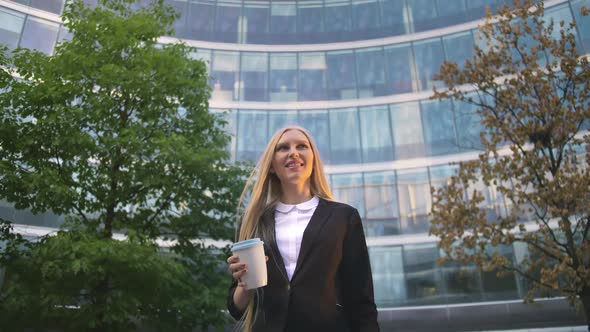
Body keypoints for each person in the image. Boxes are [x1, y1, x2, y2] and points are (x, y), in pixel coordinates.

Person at [226, 126, 379, 332]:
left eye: (302, 146)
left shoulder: (344, 217)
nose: (293, 152)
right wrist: (244, 285)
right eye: (283, 148)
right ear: (272, 165)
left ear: (313, 160)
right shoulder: (254, 220)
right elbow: (236, 308)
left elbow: (361, 299)